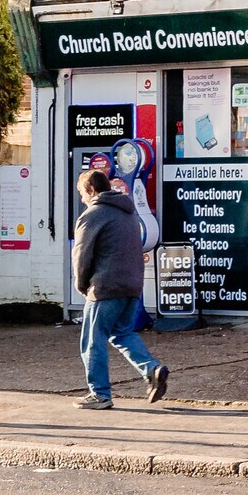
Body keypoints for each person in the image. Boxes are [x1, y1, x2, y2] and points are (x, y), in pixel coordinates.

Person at [73, 168, 168, 407]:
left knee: (93, 341)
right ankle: (152, 369)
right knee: (122, 333)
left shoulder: (92, 215)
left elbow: (81, 256)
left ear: (91, 190)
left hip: (105, 287)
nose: (81, 199)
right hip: (132, 286)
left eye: (82, 193)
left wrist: (82, 285)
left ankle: (100, 394)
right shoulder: (127, 213)